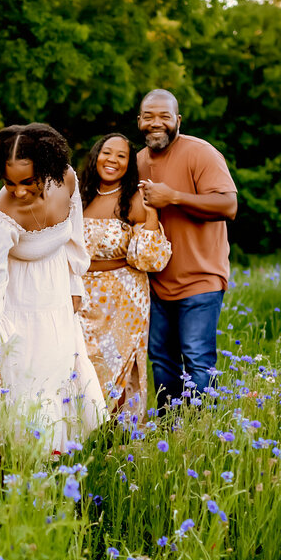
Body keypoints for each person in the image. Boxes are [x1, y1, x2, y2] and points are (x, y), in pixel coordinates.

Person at [0, 123, 106, 453]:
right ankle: (21, 467)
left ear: (47, 169)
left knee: (60, 378)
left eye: (28, 181)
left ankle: (58, 465)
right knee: (27, 387)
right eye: (9, 182)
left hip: (55, 296)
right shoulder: (1, 216)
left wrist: (74, 287)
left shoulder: (67, 178)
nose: (20, 191)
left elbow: (74, 235)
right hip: (16, 307)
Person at [135, 89, 238, 409]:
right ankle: (170, 432)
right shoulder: (137, 161)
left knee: (197, 357)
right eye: (149, 117)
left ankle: (207, 431)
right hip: (155, 282)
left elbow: (228, 204)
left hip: (201, 279)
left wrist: (174, 197)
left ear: (177, 120)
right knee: (162, 361)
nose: (157, 123)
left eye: (165, 117)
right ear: (139, 121)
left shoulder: (201, 153)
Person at [78, 134, 172, 422]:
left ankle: (117, 433)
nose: (113, 160)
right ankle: (82, 429)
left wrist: (152, 210)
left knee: (114, 364)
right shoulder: (78, 196)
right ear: (96, 156)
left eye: (122, 156)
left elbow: (150, 259)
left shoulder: (133, 198)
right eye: (107, 152)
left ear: (129, 165)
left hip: (123, 298)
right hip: (80, 295)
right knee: (81, 362)